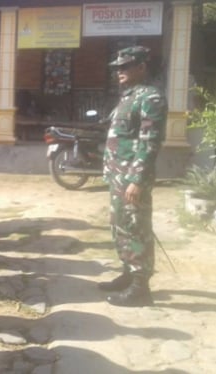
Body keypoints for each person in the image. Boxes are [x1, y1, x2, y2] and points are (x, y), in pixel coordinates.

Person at [98, 46, 167, 308]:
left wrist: (137, 178)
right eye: (118, 67)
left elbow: (150, 142)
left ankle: (140, 287)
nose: (120, 71)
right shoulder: (129, 96)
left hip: (131, 178)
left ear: (141, 67)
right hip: (118, 176)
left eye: (126, 66)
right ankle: (128, 273)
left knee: (136, 227)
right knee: (120, 225)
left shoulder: (151, 97)